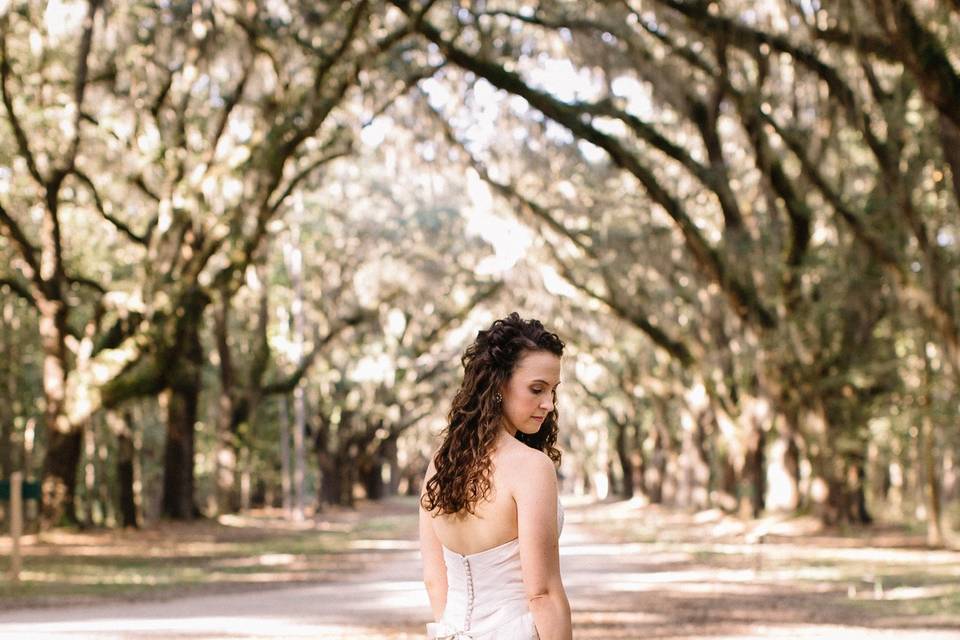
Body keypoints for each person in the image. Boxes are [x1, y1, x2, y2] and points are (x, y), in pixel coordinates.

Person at [419, 312, 573, 640]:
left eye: (553, 391)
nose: (548, 404)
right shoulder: (532, 467)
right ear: (499, 385)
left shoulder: (441, 464)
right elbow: (542, 593)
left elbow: (435, 578)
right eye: (536, 389)